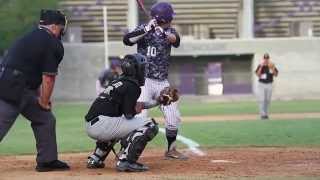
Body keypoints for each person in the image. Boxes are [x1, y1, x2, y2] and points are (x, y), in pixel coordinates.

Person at [0, 10, 70, 172]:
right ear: (53, 27)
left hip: (15, 84)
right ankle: (47, 160)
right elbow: (48, 78)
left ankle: (47, 160)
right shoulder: (52, 43)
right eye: (60, 28)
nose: (61, 32)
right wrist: (44, 101)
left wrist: (41, 98)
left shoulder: (31, 36)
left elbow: (31, 70)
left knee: (45, 119)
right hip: (14, 88)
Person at [123, 2, 188, 160]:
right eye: (169, 18)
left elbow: (176, 41)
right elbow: (127, 40)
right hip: (143, 81)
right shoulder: (144, 28)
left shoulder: (170, 31)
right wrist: (147, 30)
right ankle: (127, 153)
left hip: (162, 82)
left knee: (173, 115)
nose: (171, 21)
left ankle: (171, 150)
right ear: (164, 18)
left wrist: (164, 33)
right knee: (138, 117)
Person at [85, 54, 159, 172]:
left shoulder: (120, 81)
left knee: (117, 124)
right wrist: (137, 110)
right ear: (134, 69)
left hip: (92, 124)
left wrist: (158, 101)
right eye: (142, 68)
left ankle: (96, 158)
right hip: (103, 125)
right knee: (150, 125)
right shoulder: (132, 85)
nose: (143, 71)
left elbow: (129, 107)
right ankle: (126, 161)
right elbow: (129, 114)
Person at [255, 53, 279, 119]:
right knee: (262, 99)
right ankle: (262, 114)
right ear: (263, 59)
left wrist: (273, 68)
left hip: (269, 84)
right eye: (265, 58)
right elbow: (258, 75)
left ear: (269, 59)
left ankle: (266, 114)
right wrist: (261, 66)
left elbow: (276, 74)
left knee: (267, 100)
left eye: (267, 58)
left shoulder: (271, 65)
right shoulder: (260, 65)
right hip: (261, 84)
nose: (266, 60)